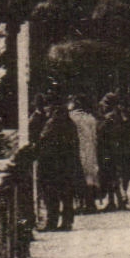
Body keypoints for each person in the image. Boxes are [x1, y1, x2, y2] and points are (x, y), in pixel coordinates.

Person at [32, 94, 83, 231]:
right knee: (66, 195)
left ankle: (52, 222)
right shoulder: (70, 123)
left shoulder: (52, 123)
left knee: (51, 195)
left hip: (52, 165)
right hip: (68, 165)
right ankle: (67, 222)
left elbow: (42, 141)